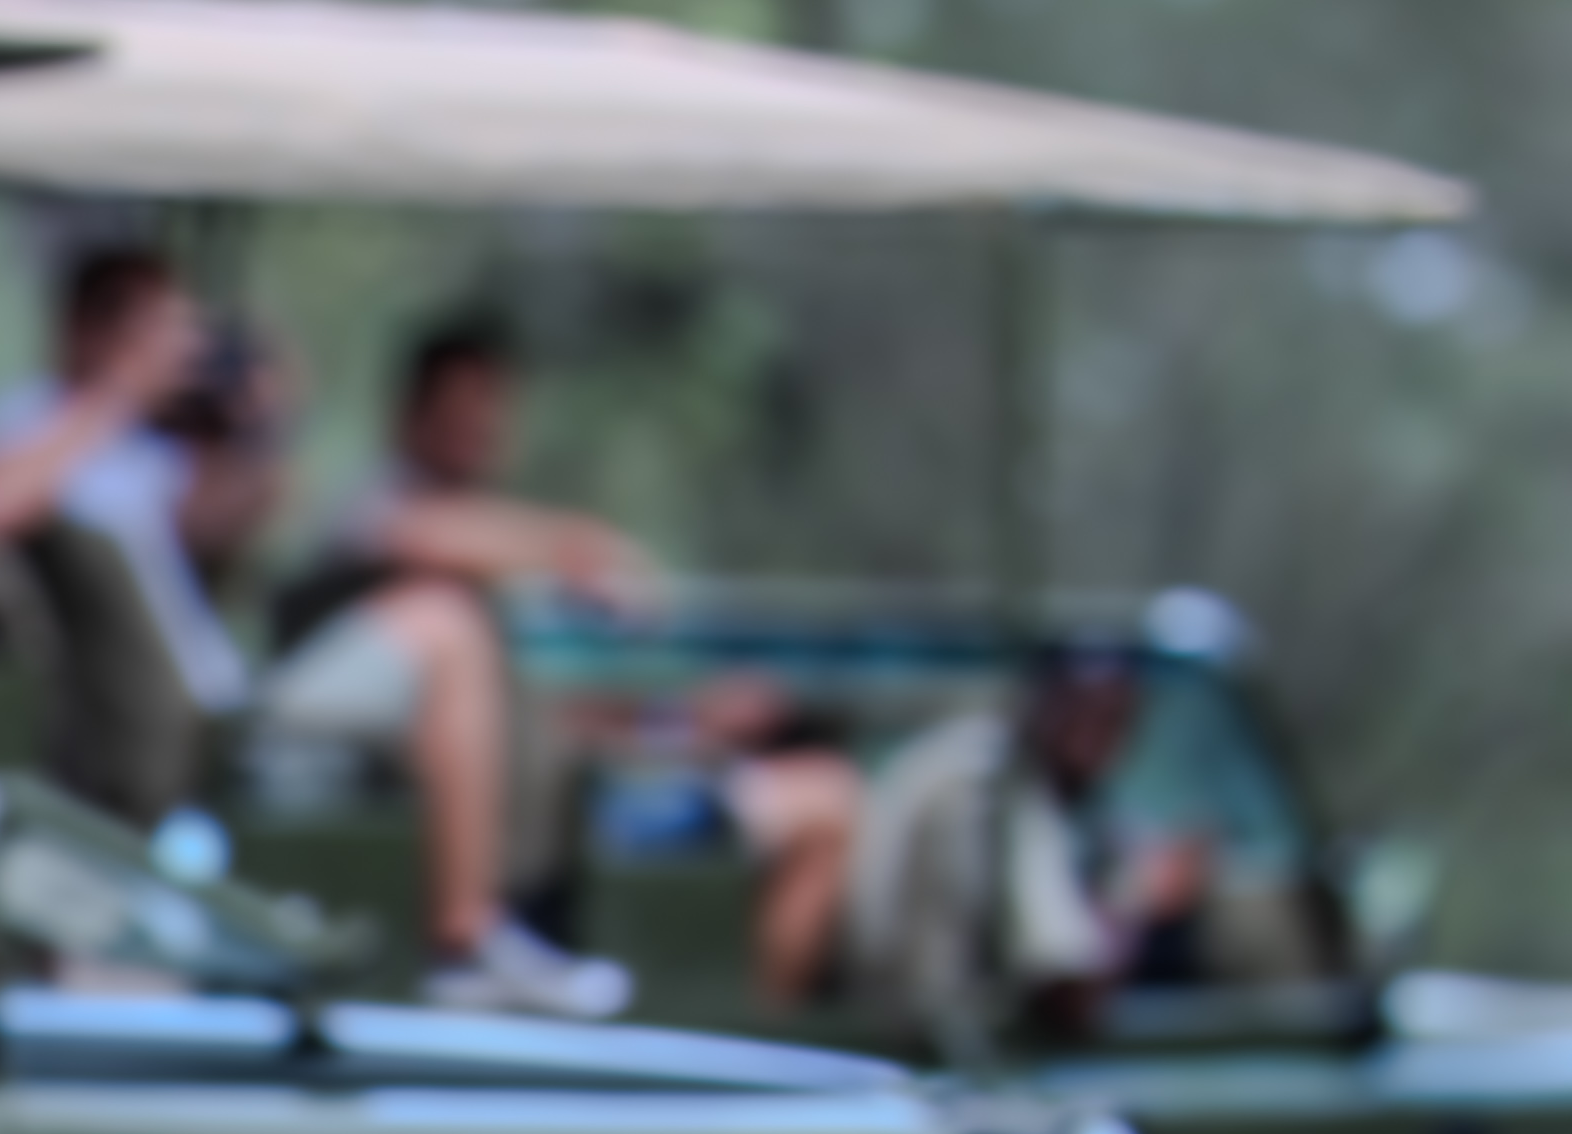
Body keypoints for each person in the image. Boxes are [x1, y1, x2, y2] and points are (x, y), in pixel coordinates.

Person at [251, 312, 654, 1018]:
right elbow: (418, 536)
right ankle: (466, 943)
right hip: (293, 747)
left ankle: (515, 924)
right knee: (447, 622)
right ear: (411, 414)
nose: (478, 432)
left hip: (396, 762)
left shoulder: (478, 548)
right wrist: (578, 549)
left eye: (491, 413)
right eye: (459, 410)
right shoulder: (377, 499)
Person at [0, 241, 287, 820]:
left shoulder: (152, 445)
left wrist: (255, 426)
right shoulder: (27, 417)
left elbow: (222, 525)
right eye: (151, 327)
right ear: (86, 325)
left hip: (209, 723)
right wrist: (118, 391)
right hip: (103, 744)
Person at [763, 642, 1208, 1045]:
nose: (1093, 741)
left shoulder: (1072, 808)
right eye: (1081, 713)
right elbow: (1068, 995)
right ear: (1040, 705)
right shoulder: (985, 784)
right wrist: (1142, 901)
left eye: (1112, 720)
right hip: (929, 1058)